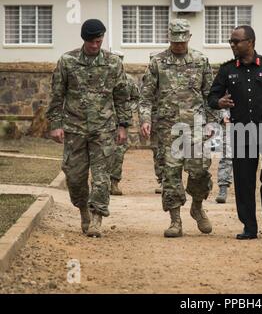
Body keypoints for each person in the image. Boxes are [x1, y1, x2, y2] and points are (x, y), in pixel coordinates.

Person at [208, 25, 262, 240]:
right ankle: (249, 226)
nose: (232, 44)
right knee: (244, 181)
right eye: (231, 41)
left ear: (251, 42)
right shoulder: (227, 70)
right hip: (241, 131)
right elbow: (212, 97)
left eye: (236, 41)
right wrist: (219, 102)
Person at [46, 19, 130, 237]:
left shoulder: (113, 63)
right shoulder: (67, 61)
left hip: (104, 129)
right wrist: (56, 124)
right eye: (91, 41)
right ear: (84, 40)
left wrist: (123, 126)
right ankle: (83, 208)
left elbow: (122, 97)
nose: (95, 45)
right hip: (75, 128)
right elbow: (57, 95)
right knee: (74, 176)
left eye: (99, 40)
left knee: (102, 176)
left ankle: (96, 217)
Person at [139, 19, 218, 238]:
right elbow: (145, 98)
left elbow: (210, 96)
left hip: (196, 128)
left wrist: (212, 121)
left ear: (189, 39)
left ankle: (197, 206)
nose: (179, 46)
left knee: (200, 171)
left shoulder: (201, 61)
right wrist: (145, 119)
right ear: (169, 39)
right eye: (175, 42)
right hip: (168, 130)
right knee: (171, 175)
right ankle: (175, 220)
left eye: (183, 42)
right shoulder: (158, 63)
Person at [109, 51, 141, 196]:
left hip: (121, 121)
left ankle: (114, 183)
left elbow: (136, 97)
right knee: (100, 152)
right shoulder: (102, 77)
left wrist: (129, 109)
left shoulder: (128, 80)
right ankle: (99, 183)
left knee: (118, 153)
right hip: (102, 121)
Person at [215, 109, 233, 203]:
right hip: (230, 120)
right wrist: (223, 115)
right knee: (227, 156)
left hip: (251, 119)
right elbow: (220, 98)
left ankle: (246, 191)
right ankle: (223, 189)